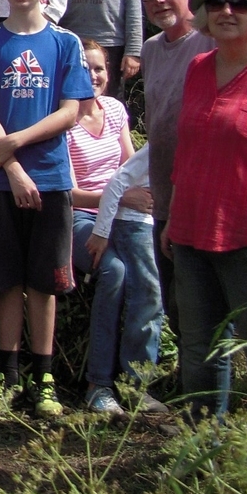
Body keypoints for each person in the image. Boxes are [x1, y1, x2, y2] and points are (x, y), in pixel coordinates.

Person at [0, 0, 93, 419]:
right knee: (7, 282)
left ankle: (46, 377)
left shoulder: (66, 43)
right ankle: (8, 375)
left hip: (52, 180)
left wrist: (14, 143)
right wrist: (10, 165)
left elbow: (70, 111)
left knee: (44, 282)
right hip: (0, 184)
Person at [165, 0, 247, 419]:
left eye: (241, 4)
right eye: (218, 3)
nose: (227, 11)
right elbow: (188, 148)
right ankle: (200, 446)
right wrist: (172, 215)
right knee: (200, 347)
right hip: (190, 228)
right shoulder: (200, 67)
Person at [66, 40, 162, 414]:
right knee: (115, 272)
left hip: (123, 211)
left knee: (149, 284)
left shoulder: (116, 109)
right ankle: (98, 385)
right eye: (83, 69)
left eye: (98, 68)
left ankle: (138, 382)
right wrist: (119, 198)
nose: (92, 76)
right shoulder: (63, 120)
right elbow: (70, 194)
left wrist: (126, 198)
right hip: (81, 216)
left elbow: (128, 167)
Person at [137, 0, 214, 332]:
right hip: (164, 199)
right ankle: (189, 389)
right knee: (178, 309)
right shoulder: (151, 49)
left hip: (204, 198)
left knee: (210, 313)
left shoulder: (211, 43)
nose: (158, 0)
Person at [84, 144, 167, 413]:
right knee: (148, 298)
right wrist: (102, 232)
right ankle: (131, 385)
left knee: (151, 298)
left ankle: (134, 385)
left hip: (154, 224)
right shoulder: (164, 139)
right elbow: (117, 182)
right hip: (133, 224)